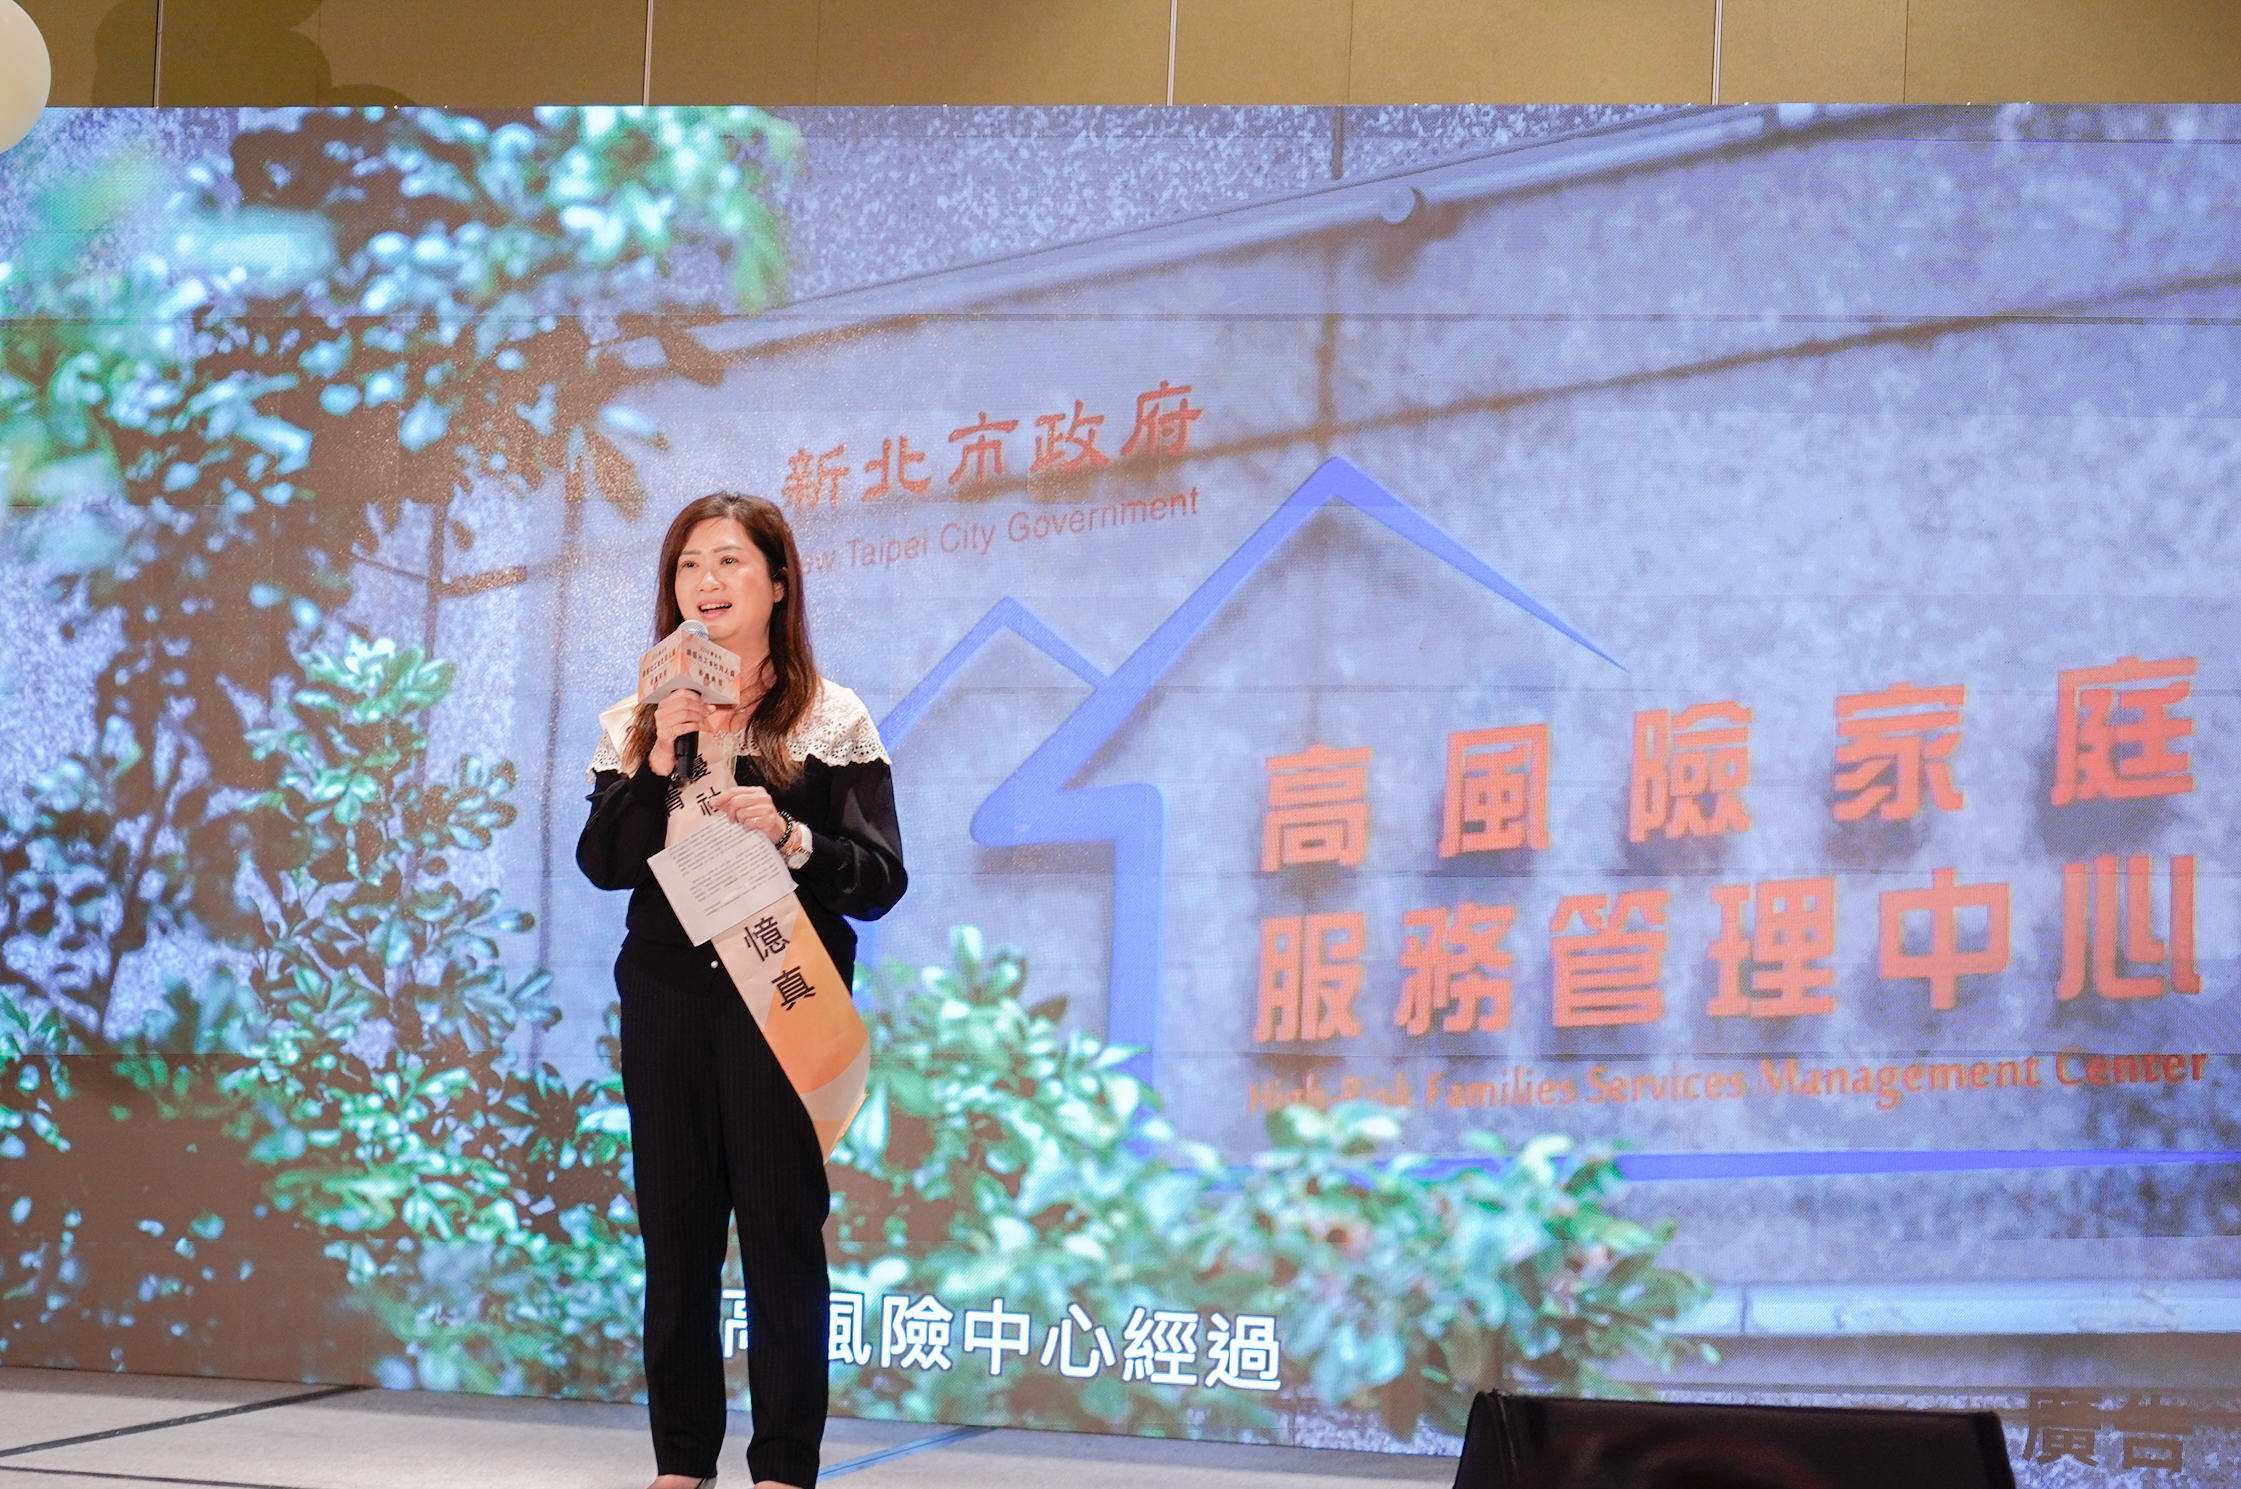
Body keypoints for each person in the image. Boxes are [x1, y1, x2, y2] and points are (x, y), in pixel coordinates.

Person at [577, 492, 906, 1489]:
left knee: (779, 1236)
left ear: (777, 583)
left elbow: (879, 879)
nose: (706, 583)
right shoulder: (639, 718)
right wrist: (652, 758)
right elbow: (605, 863)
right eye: (688, 564)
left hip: (782, 1001)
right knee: (676, 1238)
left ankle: (783, 1466)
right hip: (669, 998)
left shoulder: (829, 719)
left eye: (728, 561)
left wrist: (791, 835)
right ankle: (682, 1461)